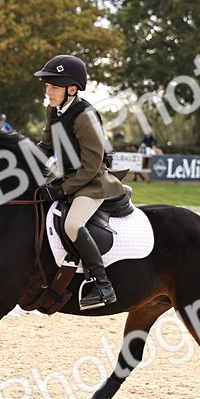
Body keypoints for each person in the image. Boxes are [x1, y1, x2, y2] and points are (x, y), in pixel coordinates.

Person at [34, 54, 125, 310]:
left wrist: (61, 189)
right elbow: (46, 146)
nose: (48, 92)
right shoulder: (53, 110)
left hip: (93, 182)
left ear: (71, 89)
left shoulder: (85, 117)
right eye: (47, 86)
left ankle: (102, 284)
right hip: (67, 176)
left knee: (73, 224)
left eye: (54, 87)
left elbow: (91, 166)